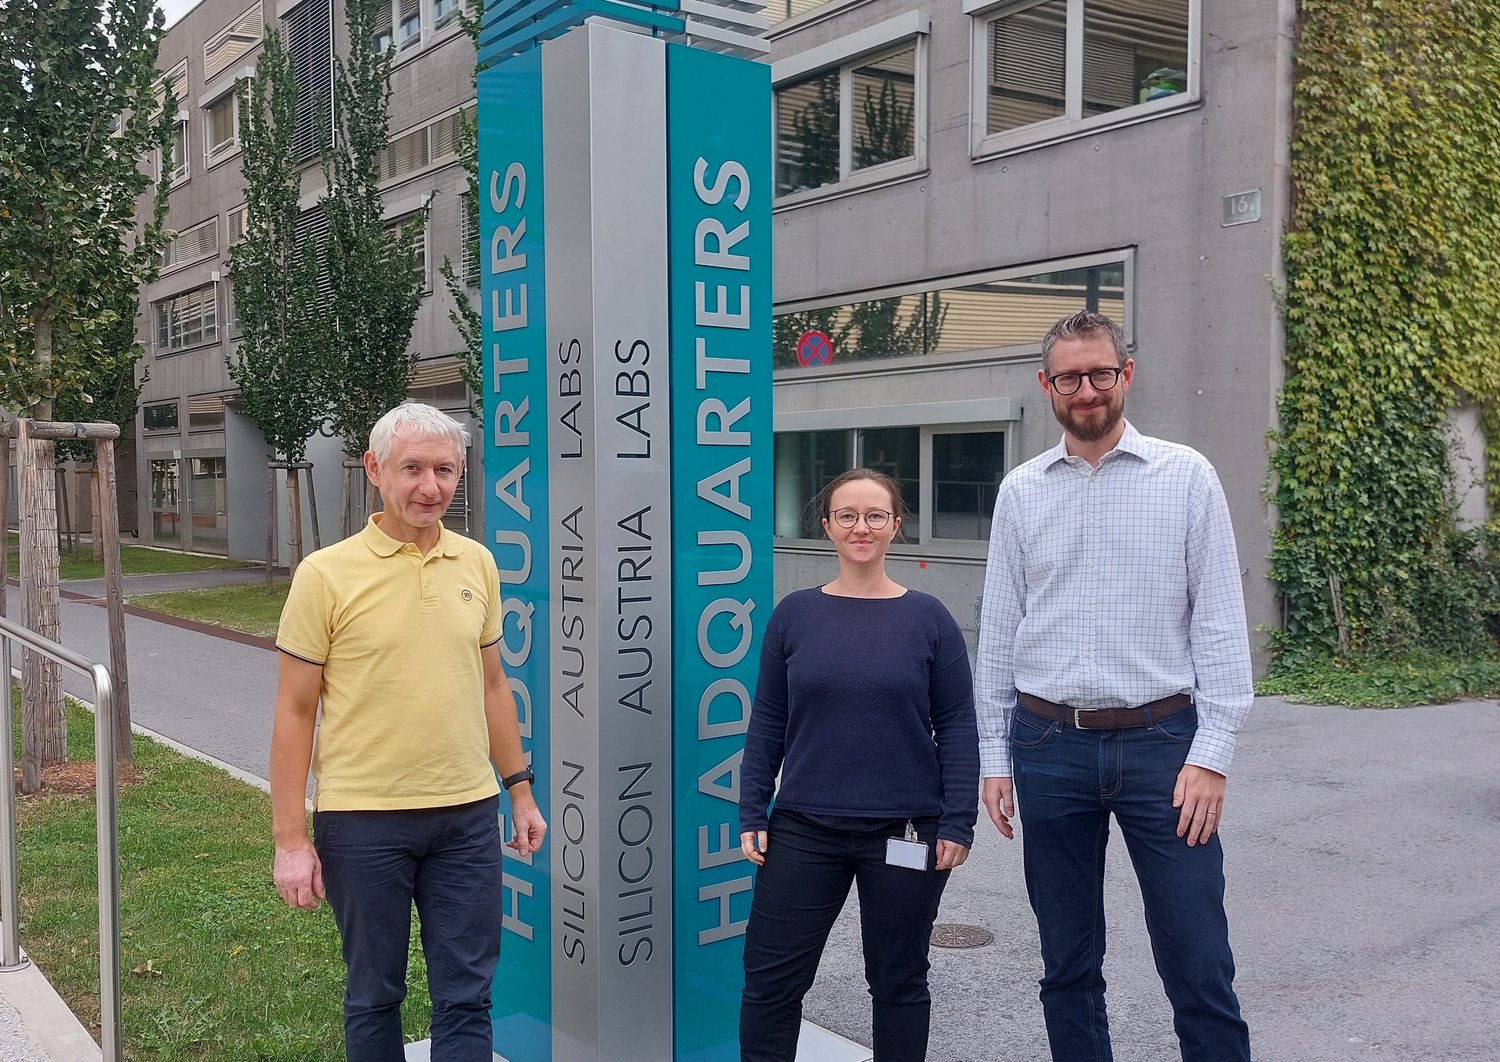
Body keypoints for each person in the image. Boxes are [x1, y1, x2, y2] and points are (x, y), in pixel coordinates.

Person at [975, 310, 1254, 1061]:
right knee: (1066, 966)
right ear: (1047, 386)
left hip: (1166, 750)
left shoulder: (1186, 476)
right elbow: (1000, 627)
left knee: (1198, 960)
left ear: (1126, 374)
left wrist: (1213, 751)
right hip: (1046, 746)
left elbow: (1221, 625)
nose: (1086, 389)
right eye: (1069, 377)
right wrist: (994, 756)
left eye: (1101, 372)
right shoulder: (1020, 492)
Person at [269, 402, 546, 1061]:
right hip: (365, 822)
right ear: (375, 469)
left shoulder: (476, 562)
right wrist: (289, 840)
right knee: (374, 995)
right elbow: (294, 710)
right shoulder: (325, 575)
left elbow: (491, 687)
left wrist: (521, 791)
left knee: (468, 996)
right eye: (413, 468)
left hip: (466, 820)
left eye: (445, 471)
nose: (431, 487)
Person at [738, 468, 979, 1062]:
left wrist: (957, 821)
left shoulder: (929, 619)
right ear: (828, 526)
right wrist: (752, 806)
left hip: (905, 829)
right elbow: (768, 718)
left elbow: (957, 725)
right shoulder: (794, 616)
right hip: (803, 826)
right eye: (848, 515)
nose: (861, 527)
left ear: (896, 525)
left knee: (898, 982)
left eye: (875, 515)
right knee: (771, 983)